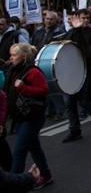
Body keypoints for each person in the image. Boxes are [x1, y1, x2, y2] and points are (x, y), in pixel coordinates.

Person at [5, 43, 53, 189]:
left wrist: (24, 88)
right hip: (20, 116)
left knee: (19, 151)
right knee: (34, 147)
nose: (11, 58)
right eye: (11, 55)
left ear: (24, 57)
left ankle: (13, 184)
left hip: (32, 116)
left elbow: (43, 91)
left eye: (14, 55)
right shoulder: (13, 70)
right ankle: (46, 175)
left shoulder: (33, 72)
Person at [62, 10, 91, 143]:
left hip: (88, 70)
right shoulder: (70, 33)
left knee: (84, 100)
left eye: (87, 18)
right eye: (82, 18)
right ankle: (74, 131)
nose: (85, 20)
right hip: (72, 70)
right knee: (69, 103)